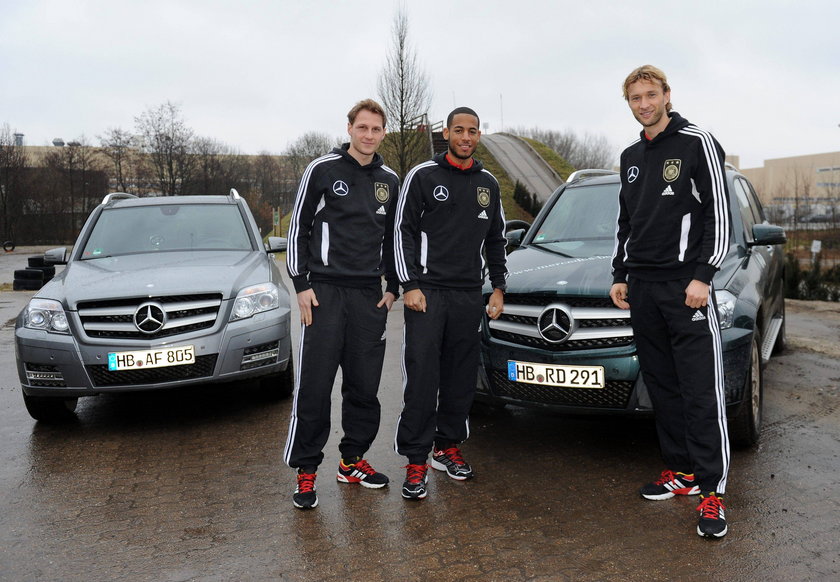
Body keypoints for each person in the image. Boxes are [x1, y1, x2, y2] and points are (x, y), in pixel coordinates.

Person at [610, 65, 732, 538]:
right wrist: (620, 273)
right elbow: (627, 221)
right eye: (635, 98)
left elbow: (719, 214)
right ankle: (680, 471)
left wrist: (703, 276)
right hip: (642, 287)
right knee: (663, 386)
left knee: (702, 390)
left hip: (686, 289)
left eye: (650, 95)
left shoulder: (695, 141)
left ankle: (711, 492)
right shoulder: (630, 155)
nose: (643, 104)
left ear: (666, 95)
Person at [283, 99, 400, 510]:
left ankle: (352, 461)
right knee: (315, 386)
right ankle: (306, 469)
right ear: (349, 128)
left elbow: (392, 239)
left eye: (376, 129)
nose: (368, 135)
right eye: (362, 127)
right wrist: (300, 283)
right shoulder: (322, 170)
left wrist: (393, 287)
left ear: (384, 133)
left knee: (364, 387)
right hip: (325, 294)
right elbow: (298, 227)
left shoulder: (390, 179)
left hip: (370, 297)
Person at [393, 106, 507, 500]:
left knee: (460, 377)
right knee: (422, 377)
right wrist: (409, 283)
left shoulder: (487, 183)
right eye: (458, 130)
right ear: (446, 133)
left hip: (467, 295)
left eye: (472, 131)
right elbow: (402, 231)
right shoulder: (422, 177)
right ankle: (415, 461)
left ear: (479, 135)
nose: (465, 137)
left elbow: (496, 239)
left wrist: (498, 287)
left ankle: (447, 447)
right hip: (426, 293)